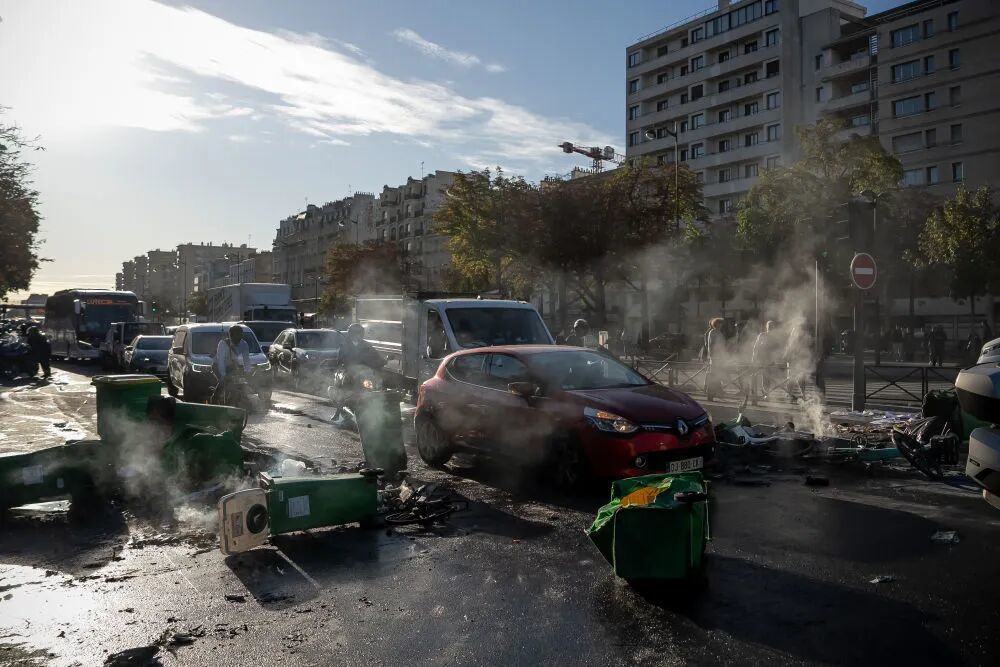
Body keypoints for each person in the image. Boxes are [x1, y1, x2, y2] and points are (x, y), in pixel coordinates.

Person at [331, 323, 385, 423]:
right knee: (343, 387)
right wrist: (345, 364)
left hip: (364, 373)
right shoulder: (344, 345)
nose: (358, 335)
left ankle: (379, 409)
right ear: (350, 333)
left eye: (359, 333)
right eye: (355, 333)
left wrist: (383, 361)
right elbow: (341, 358)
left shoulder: (367, 345)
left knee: (377, 383)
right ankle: (338, 411)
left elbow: (375, 356)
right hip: (349, 371)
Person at [214, 325, 251, 402]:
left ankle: (242, 400)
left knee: (241, 383)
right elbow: (221, 361)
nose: (239, 337)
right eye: (236, 335)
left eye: (240, 335)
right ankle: (215, 398)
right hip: (218, 366)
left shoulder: (244, 344)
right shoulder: (223, 344)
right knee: (222, 384)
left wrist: (247, 372)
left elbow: (246, 359)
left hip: (232, 366)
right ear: (230, 335)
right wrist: (223, 375)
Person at [751, 321, 778, 404]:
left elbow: (776, 349)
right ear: (766, 327)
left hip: (770, 360)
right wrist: (754, 358)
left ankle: (767, 394)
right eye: (769, 326)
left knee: (768, 378)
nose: (770, 327)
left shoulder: (774, 337)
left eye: (772, 326)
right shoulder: (762, 335)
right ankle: (765, 394)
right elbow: (756, 347)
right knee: (763, 377)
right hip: (762, 360)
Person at [703, 318, 726, 400]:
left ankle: (717, 392)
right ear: (717, 324)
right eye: (720, 323)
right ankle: (711, 394)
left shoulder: (717, 332)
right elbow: (712, 345)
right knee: (714, 376)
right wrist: (713, 355)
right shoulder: (713, 332)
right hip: (715, 357)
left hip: (718, 357)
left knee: (716, 375)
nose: (722, 325)